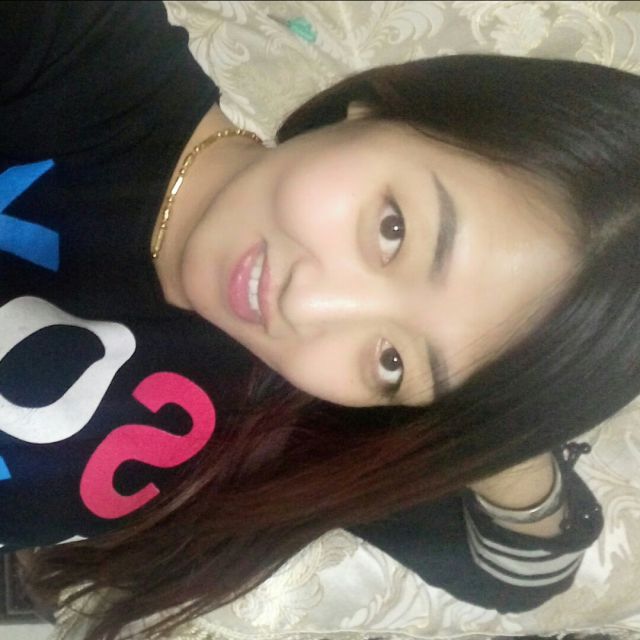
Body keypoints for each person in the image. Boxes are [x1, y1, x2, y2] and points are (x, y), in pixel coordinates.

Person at [1, 1, 639, 638]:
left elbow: (522, 572)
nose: (306, 308)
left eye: (392, 360)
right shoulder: (79, 47)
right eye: (393, 230)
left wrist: (493, 418)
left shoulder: (287, 419)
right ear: (387, 106)